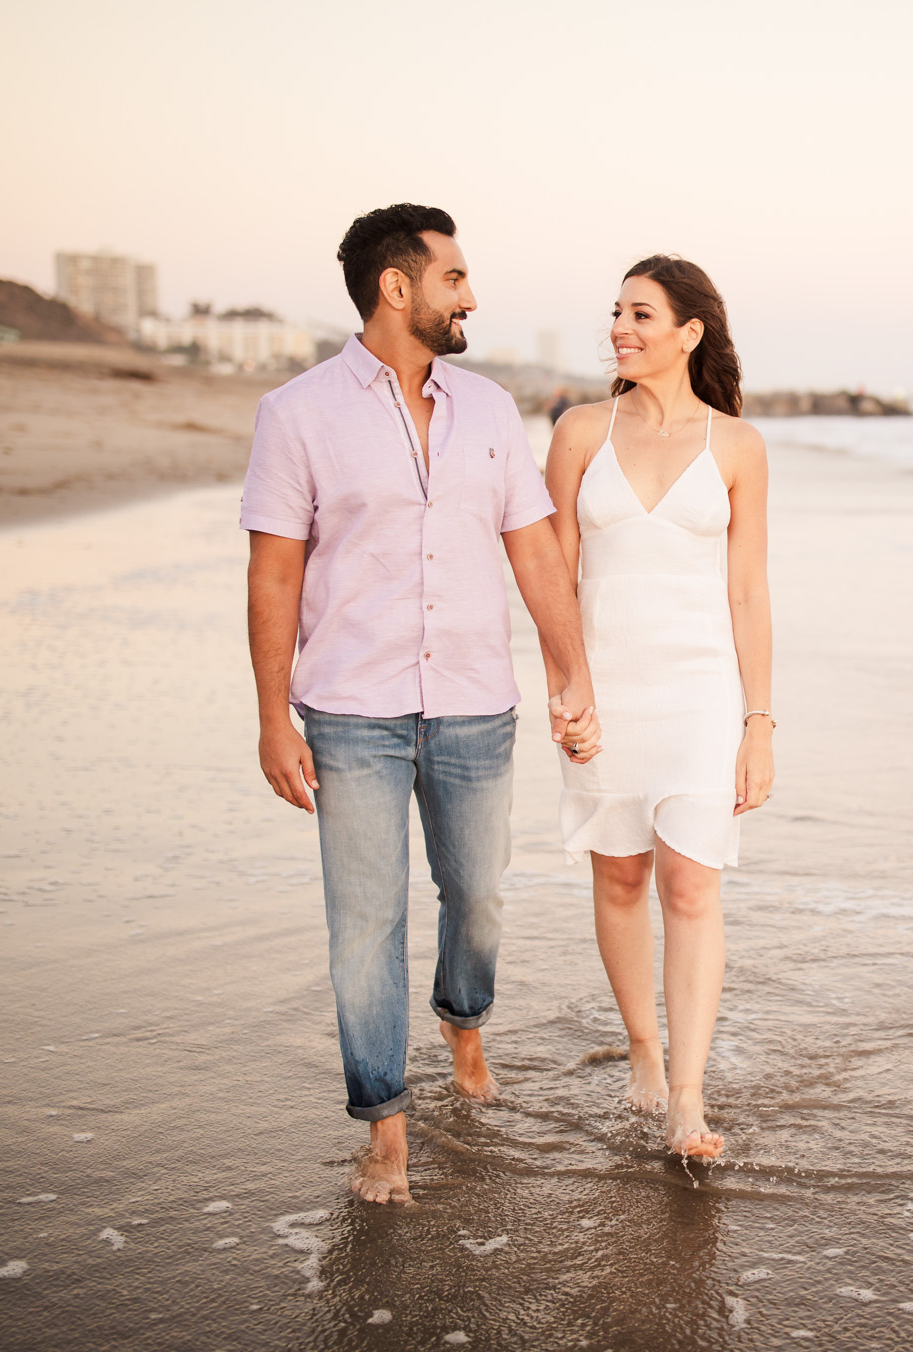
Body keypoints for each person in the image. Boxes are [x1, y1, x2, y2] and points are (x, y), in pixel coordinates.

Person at [242, 203, 601, 1204]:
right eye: (454, 278)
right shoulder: (297, 413)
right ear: (396, 288)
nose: (470, 296)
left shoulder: (488, 409)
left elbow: (532, 550)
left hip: (476, 702)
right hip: (350, 708)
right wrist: (274, 716)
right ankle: (384, 1132)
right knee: (363, 924)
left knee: (477, 898)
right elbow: (274, 574)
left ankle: (464, 1024)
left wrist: (570, 675)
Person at [543, 255, 774, 1159]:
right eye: (616, 313)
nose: (621, 329)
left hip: (700, 693)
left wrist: (760, 722)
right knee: (619, 877)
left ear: (690, 332)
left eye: (642, 314)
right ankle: (643, 1044)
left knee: (690, 882)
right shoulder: (578, 432)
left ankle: (686, 1094)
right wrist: (568, 684)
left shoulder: (738, 447)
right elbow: (551, 572)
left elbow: (749, 593)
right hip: (601, 690)